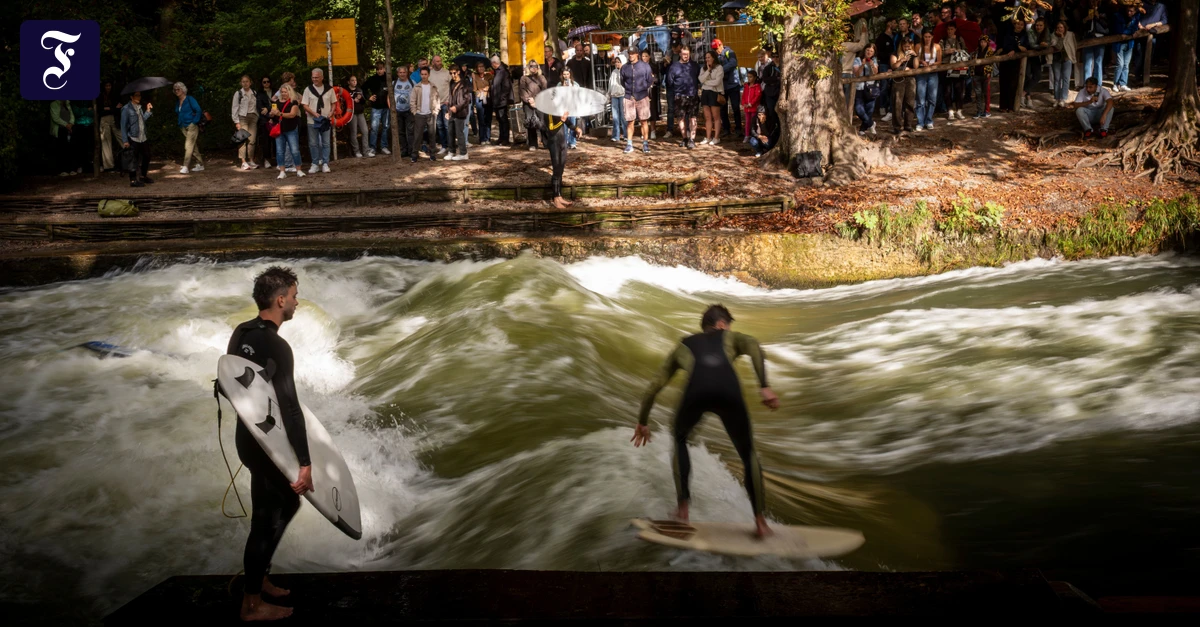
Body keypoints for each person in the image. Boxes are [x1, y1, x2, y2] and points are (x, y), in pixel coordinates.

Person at [632, 304, 780, 538]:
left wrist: (642, 421)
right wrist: (764, 386)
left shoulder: (684, 345)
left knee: (680, 439)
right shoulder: (730, 337)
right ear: (722, 324)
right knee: (748, 454)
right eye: (728, 325)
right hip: (728, 392)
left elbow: (654, 386)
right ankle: (761, 523)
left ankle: (682, 511)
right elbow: (753, 345)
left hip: (695, 394)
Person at [227, 266, 313, 623]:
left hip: (247, 439)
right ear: (280, 300)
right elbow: (289, 407)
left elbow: (232, 383)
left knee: (282, 504)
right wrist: (305, 462)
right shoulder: (278, 345)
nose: (296, 302)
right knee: (268, 516)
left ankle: (258, 577)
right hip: (264, 445)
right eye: (293, 296)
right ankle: (251, 603)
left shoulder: (241, 332)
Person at [301, 68, 336, 174]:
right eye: (313, 77)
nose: (314, 79)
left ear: (322, 77)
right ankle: (315, 164)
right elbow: (304, 105)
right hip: (312, 120)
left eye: (316, 77)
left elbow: (334, 102)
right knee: (313, 143)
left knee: (326, 143)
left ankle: (325, 163)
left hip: (325, 120)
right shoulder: (308, 89)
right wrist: (313, 113)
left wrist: (331, 112)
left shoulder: (329, 89)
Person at [621, 48, 654, 154]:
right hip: (629, 96)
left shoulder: (645, 66)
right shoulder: (624, 67)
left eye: (632, 53)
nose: (630, 55)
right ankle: (629, 144)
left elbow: (649, 80)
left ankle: (645, 143)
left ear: (637, 54)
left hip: (642, 96)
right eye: (629, 53)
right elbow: (622, 81)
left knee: (644, 121)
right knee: (630, 121)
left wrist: (643, 89)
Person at [668, 47, 702, 149]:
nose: (685, 56)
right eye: (683, 54)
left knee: (693, 118)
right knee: (680, 118)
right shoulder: (674, 66)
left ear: (690, 54)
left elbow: (699, 79)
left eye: (687, 54)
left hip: (692, 95)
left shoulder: (695, 66)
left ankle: (692, 139)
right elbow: (669, 82)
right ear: (680, 54)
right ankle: (684, 138)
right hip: (679, 96)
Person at [271, 84, 305, 179]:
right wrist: (272, 113)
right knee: (280, 151)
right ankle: (282, 171)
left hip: (291, 129)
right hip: (280, 130)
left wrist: (280, 113)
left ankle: (299, 169)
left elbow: (292, 115)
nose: (284, 94)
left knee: (294, 150)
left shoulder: (293, 102)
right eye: (282, 92)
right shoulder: (277, 102)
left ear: (289, 92)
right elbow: (274, 115)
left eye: (285, 92)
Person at [119, 91, 153, 186]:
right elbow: (123, 126)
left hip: (143, 137)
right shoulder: (126, 109)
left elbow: (142, 120)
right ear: (131, 97)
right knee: (133, 159)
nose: (139, 97)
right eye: (137, 95)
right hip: (133, 138)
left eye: (140, 95)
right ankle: (133, 180)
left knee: (147, 156)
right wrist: (125, 140)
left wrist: (148, 111)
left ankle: (143, 176)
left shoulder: (139, 107)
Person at [172, 82, 205, 174]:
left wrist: (194, 122)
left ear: (183, 90)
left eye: (178, 89)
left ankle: (186, 166)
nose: (176, 91)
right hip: (182, 126)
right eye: (175, 89)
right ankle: (200, 164)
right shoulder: (178, 102)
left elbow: (198, 110)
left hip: (191, 126)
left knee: (188, 145)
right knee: (192, 145)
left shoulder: (190, 99)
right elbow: (178, 112)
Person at [410, 66, 440, 163]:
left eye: (425, 74)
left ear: (429, 75)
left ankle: (432, 154)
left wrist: (436, 111)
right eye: (422, 74)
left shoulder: (433, 86)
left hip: (430, 114)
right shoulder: (417, 87)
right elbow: (412, 101)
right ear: (420, 75)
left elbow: (437, 100)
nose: (424, 76)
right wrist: (415, 112)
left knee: (432, 135)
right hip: (419, 114)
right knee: (417, 136)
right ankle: (414, 155)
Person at [941, 22, 970, 120]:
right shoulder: (943, 40)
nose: (950, 31)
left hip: (959, 67)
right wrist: (946, 52)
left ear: (955, 29)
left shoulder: (959, 39)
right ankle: (950, 111)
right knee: (947, 91)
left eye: (951, 29)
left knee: (959, 90)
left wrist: (958, 51)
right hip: (946, 67)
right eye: (948, 29)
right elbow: (938, 53)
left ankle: (959, 110)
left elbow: (965, 50)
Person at [1076, 0, 1109, 85]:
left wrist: (1098, 17)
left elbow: (1106, 25)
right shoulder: (1084, 10)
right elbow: (1079, 25)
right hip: (1088, 37)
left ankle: (1098, 84)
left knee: (1098, 62)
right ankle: (1088, 84)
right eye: (1091, 1)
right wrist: (1086, 19)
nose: (1093, 2)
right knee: (1087, 63)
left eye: (1095, 1)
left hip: (1099, 37)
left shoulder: (1103, 10)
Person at [714, 39, 741, 139]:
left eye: (717, 48)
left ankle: (738, 129)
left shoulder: (730, 52)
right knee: (722, 109)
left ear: (721, 45)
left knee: (735, 108)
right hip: (722, 86)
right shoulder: (715, 56)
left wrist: (720, 70)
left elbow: (733, 63)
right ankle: (726, 129)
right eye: (714, 49)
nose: (716, 51)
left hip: (733, 84)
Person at [363, 62, 391, 157]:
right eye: (378, 69)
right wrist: (369, 97)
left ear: (384, 69)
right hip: (376, 107)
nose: (379, 71)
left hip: (387, 107)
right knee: (374, 128)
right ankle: (373, 147)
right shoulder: (372, 79)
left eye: (381, 69)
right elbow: (363, 88)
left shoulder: (389, 78)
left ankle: (384, 146)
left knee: (386, 126)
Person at [547, 106, 573, 209]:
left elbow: (566, 120)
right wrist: (562, 121)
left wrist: (575, 128)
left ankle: (559, 195)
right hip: (554, 142)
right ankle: (555, 198)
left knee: (561, 169)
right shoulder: (548, 110)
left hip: (562, 142)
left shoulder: (559, 108)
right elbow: (551, 128)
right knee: (556, 170)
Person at [1110, 4, 1140, 93]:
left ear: (1135, 11)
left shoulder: (1136, 17)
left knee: (1126, 64)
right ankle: (1116, 83)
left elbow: (1134, 27)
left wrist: (1130, 32)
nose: (1129, 13)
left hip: (1129, 43)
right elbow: (1119, 30)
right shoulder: (1118, 16)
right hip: (1119, 44)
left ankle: (1123, 83)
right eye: (1128, 10)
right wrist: (1131, 32)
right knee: (1120, 64)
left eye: (1131, 11)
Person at [891, 38, 919, 133]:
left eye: (909, 46)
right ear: (901, 46)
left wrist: (915, 56)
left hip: (910, 79)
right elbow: (893, 66)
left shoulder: (913, 54)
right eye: (905, 46)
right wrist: (902, 60)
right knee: (897, 103)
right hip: (898, 80)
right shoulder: (896, 53)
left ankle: (908, 125)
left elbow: (916, 67)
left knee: (910, 102)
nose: (907, 48)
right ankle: (897, 126)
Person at [519, 60, 548, 151]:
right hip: (528, 103)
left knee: (542, 122)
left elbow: (545, 90)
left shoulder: (542, 78)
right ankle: (533, 144)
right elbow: (522, 91)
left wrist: (537, 100)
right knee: (531, 123)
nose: (534, 68)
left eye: (535, 66)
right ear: (529, 67)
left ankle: (546, 142)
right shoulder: (524, 78)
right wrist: (529, 100)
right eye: (531, 66)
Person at [233, 74, 260, 170]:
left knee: (252, 140)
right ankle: (243, 162)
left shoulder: (254, 93)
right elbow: (235, 108)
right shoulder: (238, 93)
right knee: (242, 139)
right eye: (243, 82)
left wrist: (257, 115)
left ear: (250, 82)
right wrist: (236, 121)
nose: (245, 83)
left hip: (253, 117)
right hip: (243, 117)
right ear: (241, 83)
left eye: (247, 81)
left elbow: (257, 106)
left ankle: (251, 160)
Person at [445, 65, 472, 161]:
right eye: (451, 73)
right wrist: (448, 110)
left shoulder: (465, 83)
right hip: (452, 110)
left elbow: (466, 99)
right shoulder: (452, 82)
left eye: (454, 73)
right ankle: (451, 151)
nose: (453, 75)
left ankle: (463, 153)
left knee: (459, 132)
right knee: (450, 131)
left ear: (458, 72)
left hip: (461, 111)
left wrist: (457, 107)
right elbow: (450, 97)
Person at [852, 44, 880, 136]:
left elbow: (875, 73)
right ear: (864, 50)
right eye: (868, 50)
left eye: (871, 51)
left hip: (870, 87)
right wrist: (863, 64)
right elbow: (856, 74)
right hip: (859, 87)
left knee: (869, 110)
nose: (869, 52)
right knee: (858, 109)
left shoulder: (874, 60)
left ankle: (863, 129)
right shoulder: (857, 60)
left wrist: (872, 65)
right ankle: (871, 124)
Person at [916, 30, 941, 130]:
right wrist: (922, 61)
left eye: (929, 36)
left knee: (932, 98)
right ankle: (920, 122)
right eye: (925, 36)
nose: (927, 39)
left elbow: (939, 61)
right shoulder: (918, 46)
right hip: (921, 73)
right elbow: (915, 59)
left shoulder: (937, 46)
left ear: (932, 37)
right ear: (922, 37)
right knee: (920, 99)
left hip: (933, 73)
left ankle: (929, 120)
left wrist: (932, 64)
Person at [699, 50, 725, 145]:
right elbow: (701, 79)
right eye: (706, 58)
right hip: (705, 93)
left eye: (709, 57)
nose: (707, 59)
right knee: (707, 117)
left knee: (716, 117)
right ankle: (708, 137)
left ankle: (716, 137)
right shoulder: (703, 68)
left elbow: (717, 82)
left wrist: (706, 83)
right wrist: (708, 71)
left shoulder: (719, 68)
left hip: (715, 93)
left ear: (714, 57)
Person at [1048, 21, 1076, 107]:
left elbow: (1074, 45)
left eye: (1061, 27)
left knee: (1066, 79)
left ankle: (1063, 98)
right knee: (1057, 79)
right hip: (1056, 59)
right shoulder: (1053, 36)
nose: (1060, 29)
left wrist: (1073, 56)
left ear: (1064, 28)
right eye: (1058, 27)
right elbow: (1058, 47)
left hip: (1067, 59)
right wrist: (1061, 37)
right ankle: (1057, 98)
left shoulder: (1070, 34)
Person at [427, 56, 451, 155]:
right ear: (433, 62)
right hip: (435, 104)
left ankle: (451, 146)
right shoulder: (430, 73)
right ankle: (444, 146)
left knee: (447, 125)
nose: (439, 62)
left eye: (440, 61)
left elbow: (452, 86)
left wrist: (450, 100)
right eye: (437, 61)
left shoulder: (447, 73)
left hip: (445, 103)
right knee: (439, 126)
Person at [98, 81, 122, 172]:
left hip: (114, 119)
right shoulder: (100, 96)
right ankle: (109, 166)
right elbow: (100, 110)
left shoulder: (114, 95)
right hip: (104, 120)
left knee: (122, 138)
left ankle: (130, 159)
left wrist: (110, 109)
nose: (108, 87)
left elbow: (118, 108)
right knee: (106, 142)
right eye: (106, 85)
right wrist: (113, 108)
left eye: (109, 85)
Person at [50, 99, 77, 176]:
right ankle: (63, 169)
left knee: (71, 148)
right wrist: (66, 125)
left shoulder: (67, 103)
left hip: (69, 129)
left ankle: (72, 169)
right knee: (62, 148)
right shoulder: (54, 104)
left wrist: (71, 123)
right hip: (60, 129)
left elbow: (72, 115)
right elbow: (55, 118)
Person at [490, 56, 513, 145]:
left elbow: (506, 87)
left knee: (503, 119)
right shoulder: (497, 72)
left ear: (494, 63)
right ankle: (501, 137)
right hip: (496, 100)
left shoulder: (503, 72)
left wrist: (502, 98)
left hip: (501, 101)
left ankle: (505, 139)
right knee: (499, 119)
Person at [972, 33, 996, 118]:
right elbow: (972, 62)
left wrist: (988, 71)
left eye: (984, 42)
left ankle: (987, 111)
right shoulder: (976, 51)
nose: (982, 44)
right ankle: (979, 111)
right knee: (978, 94)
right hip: (976, 74)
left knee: (986, 93)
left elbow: (991, 63)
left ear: (987, 43)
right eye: (981, 42)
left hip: (985, 74)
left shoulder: (990, 52)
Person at [757, 49, 781, 130]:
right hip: (769, 92)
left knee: (780, 111)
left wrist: (775, 79)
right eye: (773, 57)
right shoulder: (768, 67)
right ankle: (773, 128)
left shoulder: (783, 67)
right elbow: (765, 79)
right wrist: (777, 78)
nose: (775, 58)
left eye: (777, 56)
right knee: (771, 111)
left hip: (779, 91)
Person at [394, 67, 414, 159]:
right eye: (400, 72)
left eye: (404, 72)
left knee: (410, 131)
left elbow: (417, 94)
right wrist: (392, 108)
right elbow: (389, 96)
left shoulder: (412, 82)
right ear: (397, 73)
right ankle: (404, 150)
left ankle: (412, 150)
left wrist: (414, 108)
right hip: (397, 111)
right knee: (400, 132)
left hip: (409, 111)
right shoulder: (393, 83)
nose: (402, 74)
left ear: (407, 73)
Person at [345, 75, 368, 158]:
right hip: (351, 114)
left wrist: (360, 98)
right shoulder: (346, 91)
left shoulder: (359, 90)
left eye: (355, 80)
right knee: (353, 132)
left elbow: (364, 101)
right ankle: (356, 151)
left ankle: (366, 150)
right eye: (352, 80)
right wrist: (353, 100)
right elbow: (344, 102)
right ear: (349, 82)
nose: (354, 82)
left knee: (365, 131)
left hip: (360, 112)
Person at [642, 50, 661, 140]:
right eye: (643, 56)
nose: (644, 58)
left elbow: (656, 79)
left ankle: (653, 130)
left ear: (649, 56)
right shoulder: (638, 66)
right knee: (643, 110)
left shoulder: (654, 66)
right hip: (642, 90)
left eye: (646, 56)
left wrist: (651, 80)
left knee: (652, 109)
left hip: (652, 90)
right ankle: (644, 131)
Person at [257, 77, 275, 168]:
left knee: (276, 140)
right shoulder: (259, 94)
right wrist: (268, 117)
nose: (266, 83)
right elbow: (260, 108)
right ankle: (266, 159)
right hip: (264, 120)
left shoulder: (275, 92)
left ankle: (276, 158)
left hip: (276, 118)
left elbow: (278, 103)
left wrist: (269, 110)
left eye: (268, 81)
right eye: (264, 82)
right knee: (266, 141)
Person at [474, 62, 493, 145]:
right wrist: (479, 91)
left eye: (482, 66)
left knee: (488, 118)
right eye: (478, 67)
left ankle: (488, 138)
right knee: (481, 119)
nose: (480, 68)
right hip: (479, 99)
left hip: (488, 98)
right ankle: (482, 138)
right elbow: (474, 89)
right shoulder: (475, 76)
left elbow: (493, 85)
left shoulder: (489, 76)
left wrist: (487, 88)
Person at [608, 55, 626, 143]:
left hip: (623, 95)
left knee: (623, 116)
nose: (617, 64)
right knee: (615, 116)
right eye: (616, 62)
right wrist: (609, 94)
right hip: (614, 95)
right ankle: (616, 135)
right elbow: (610, 84)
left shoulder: (625, 71)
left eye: (619, 62)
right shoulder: (613, 72)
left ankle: (626, 134)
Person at [740, 70, 761, 143]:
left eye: (751, 77)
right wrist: (744, 104)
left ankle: (754, 136)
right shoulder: (746, 86)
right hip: (747, 108)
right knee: (747, 122)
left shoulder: (757, 86)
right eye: (748, 77)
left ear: (755, 78)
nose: (749, 78)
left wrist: (751, 104)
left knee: (754, 122)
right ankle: (747, 135)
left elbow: (757, 96)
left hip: (754, 107)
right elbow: (744, 96)